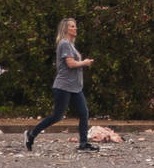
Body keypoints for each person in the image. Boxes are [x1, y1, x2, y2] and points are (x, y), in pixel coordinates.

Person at [25, 17, 99, 152]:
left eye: (75, 26)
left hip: (75, 87)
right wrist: (85, 62)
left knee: (84, 113)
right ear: (65, 29)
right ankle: (31, 134)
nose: (75, 28)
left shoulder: (71, 45)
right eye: (72, 26)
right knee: (57, 116)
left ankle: (83, 144)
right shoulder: (64, 43)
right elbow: (70, 64)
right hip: (63, 86)